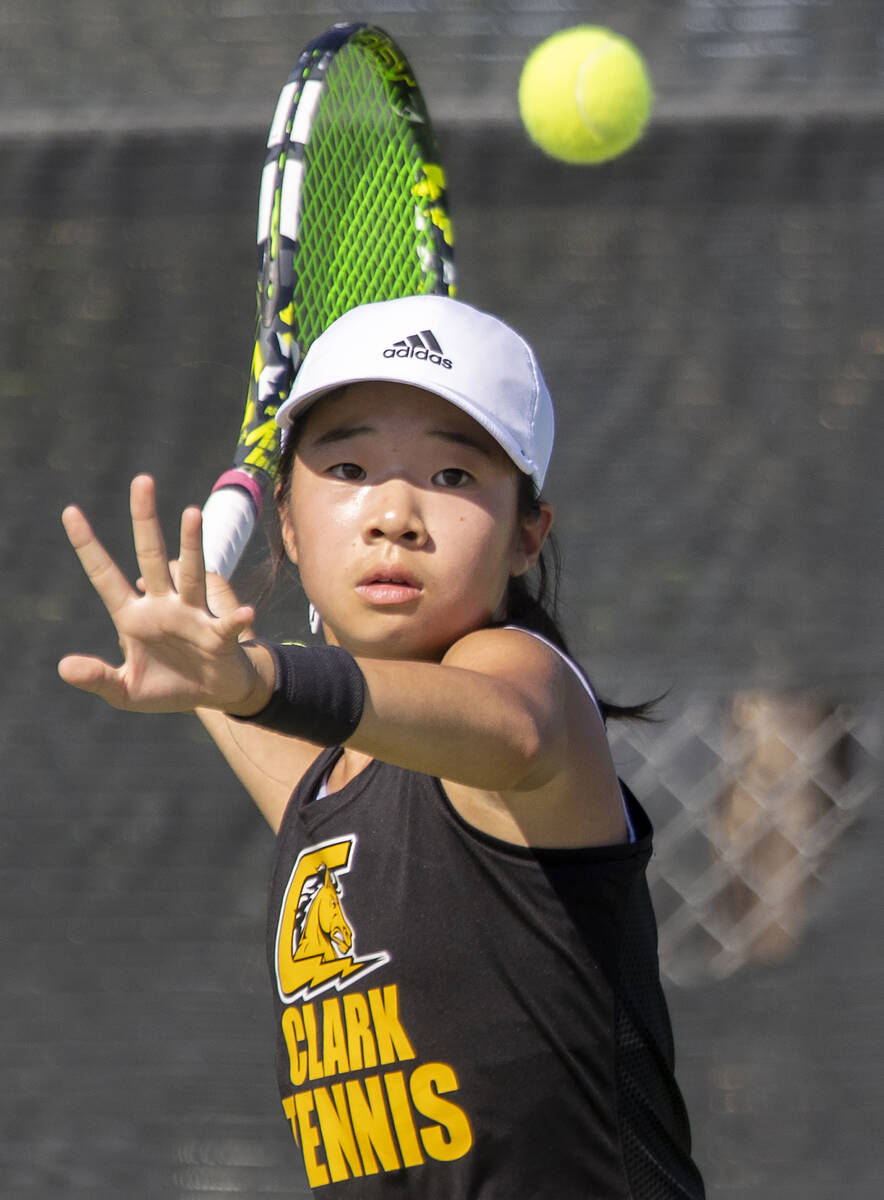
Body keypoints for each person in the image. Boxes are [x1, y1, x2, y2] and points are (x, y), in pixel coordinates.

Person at [59, 295, 705, 1198]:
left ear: (528, 534)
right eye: (351, 466)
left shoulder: (524, 682)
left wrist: (254, 681)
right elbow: (278, 731)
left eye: (452, 476)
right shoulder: (327, 789)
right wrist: (208, 665)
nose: (394, 513)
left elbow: (507, 731)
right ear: (286, 518)